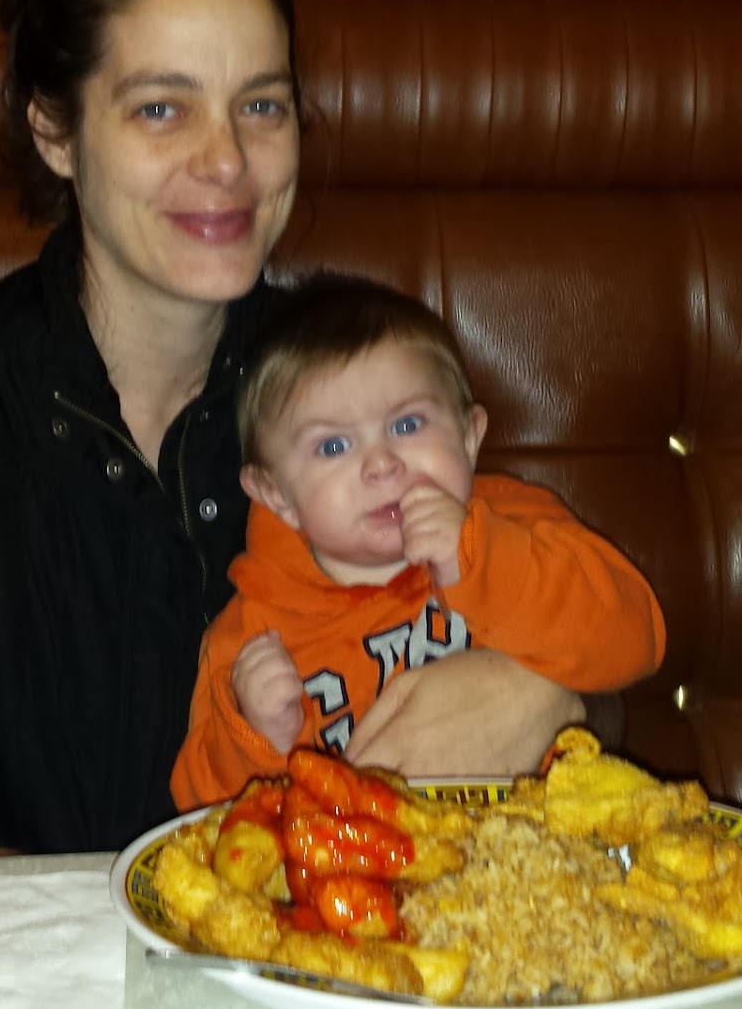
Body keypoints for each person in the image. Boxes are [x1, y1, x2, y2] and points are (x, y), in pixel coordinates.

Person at [0, 0, 585, 863]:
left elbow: (561, 634)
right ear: (54, 130)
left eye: (260, 104)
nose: (226, 161)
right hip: (53, 967)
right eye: (161, 108)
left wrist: (553, 697)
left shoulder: (358, 389)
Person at [171, 275, 665, 810]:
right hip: (354, 860)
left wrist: (482, 560)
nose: (382, 464)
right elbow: (199, 812)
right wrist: (254, 738)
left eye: (408, 425)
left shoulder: (514, 526)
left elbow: (638, 638)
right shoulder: (251, 631)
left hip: (539, 845)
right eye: (333, 446)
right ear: (276, 495)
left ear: (469, 437)